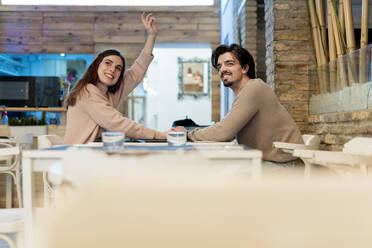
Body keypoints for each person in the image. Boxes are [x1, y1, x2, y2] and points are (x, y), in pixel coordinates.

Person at [64, 12, 184, 144]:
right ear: (97, 65)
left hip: (93, 153)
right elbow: (118, 124)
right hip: (79, 157)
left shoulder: (108, 93)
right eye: (108, 63)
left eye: (118, 68)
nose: (112, 70)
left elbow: (137, 71)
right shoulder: (88, 92)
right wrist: (160, 135)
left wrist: (151, 36)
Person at [187, 44, 303, 162]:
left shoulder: (254, 88)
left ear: (244, 68)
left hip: (286, 165)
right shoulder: (247, 91)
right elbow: (226, 130)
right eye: (219, 66)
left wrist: (186, 135)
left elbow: (224, 132)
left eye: (229, 64)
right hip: (272, 162)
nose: (222, 69)